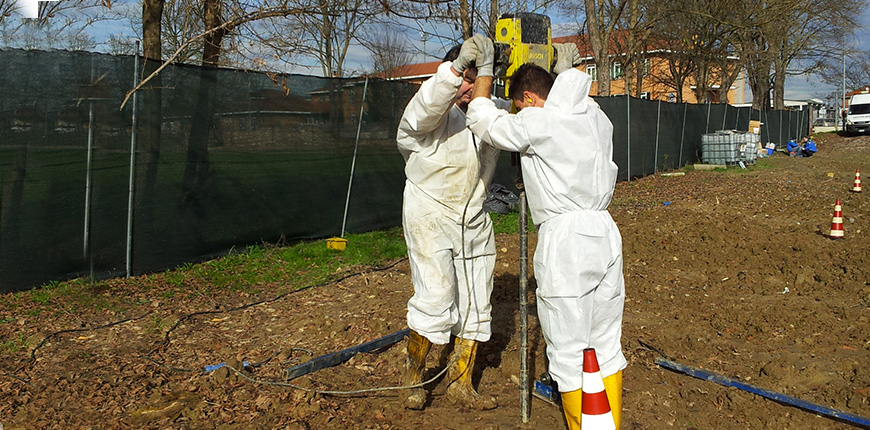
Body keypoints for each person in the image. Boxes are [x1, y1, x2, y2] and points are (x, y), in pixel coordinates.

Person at [465, 38, 627, 429]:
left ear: (528, 98)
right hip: (605, 231)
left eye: (520, 105)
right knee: (605, 342)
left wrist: (485, 71)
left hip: (566, 240)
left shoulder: (538, 121)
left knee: (569, 350)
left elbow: (484, 121)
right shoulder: (595, 117)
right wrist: (569, 72)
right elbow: (576, 99)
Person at [395, 34, 510, 411]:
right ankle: (414, 376)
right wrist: (456, 70)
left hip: (473, 217)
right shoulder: (429, 115)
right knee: (436, 296)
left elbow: (529, 117)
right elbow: (423, 109)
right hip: (429, 213)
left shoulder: (489, 113)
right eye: (464, 79)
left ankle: (461, 384)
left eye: (477, 80)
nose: (469, 88)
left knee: (478, 302)